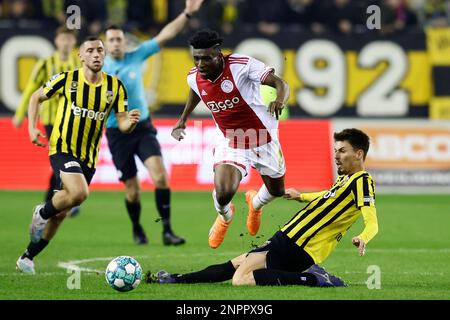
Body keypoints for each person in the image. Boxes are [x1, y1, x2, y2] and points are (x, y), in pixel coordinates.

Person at [148, 128, 378, 287]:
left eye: (342, 151)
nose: (336, 156)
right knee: (234, 265)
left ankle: (313, 279)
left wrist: (363, 237)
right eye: (336, 150)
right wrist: (302, 196)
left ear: (359, 154)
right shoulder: (345, 181)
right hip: (290, 238)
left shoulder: (362, 181)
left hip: (299, 245)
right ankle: (175, 279)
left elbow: (372, 221)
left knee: (241, 279)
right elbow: (327, 197)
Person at [16, 36, 141, 274]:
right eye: (91, 50)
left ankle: (28, 256)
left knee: (63, 211)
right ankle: (42, 211)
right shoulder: (67, 79)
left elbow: (122, 122)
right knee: (80, 192)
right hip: (62, 147)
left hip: (89, 157)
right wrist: (33, 127)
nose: (96, 54)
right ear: (81, 56)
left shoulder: (115, 86)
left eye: (100, 51)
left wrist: (131, 123)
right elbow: (36, 97)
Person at [171, 29, 289, 249]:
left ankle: (255, 204)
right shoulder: (193, 76)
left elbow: (281, 84)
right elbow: (195, 89)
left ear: (219, 53)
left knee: (277, 191)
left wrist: (279, 100)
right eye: (196, 58)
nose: (200, 64)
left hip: (263, 136)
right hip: (230, 139)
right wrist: (183, 119)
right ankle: (225, 218)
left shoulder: (241, 66)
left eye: (206, 58)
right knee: (224, 192)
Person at [102, 0, 204, 246]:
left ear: (125, 42)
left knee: (160, 177)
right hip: (117, 133)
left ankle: (167, 231)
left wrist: (187, 14)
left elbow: (165, 34)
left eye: (119, 39)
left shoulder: (136, 55)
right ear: (105, 44)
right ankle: (137, 228)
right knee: (133, 190)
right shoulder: (99, 68)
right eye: (112, 40)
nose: (116, 43)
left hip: (143, 127)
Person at [13, 25, 82, 217]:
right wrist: (20, 114)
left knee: (67, 161)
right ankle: (59, 201)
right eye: (63, 39)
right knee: (63, 159)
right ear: (56, 41)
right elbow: (31, 89)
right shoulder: (45, 64)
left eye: (69, 39)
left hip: (74, 120)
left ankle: (55, 202)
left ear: (73, 42)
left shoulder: (78, 64)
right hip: (52, 120)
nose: (66, 42)